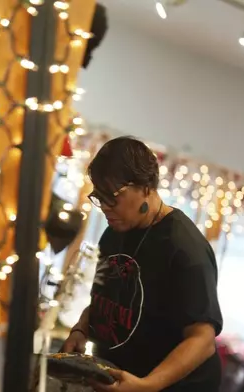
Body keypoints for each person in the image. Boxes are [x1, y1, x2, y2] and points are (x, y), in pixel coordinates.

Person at [61, 137, 223, 392]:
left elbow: (203, 340)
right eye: (98, 197)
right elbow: (108, 302)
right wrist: (81, 329)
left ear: (145, 186)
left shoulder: (185, 248)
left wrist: (147, 385)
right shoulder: (114, 233)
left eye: (111, 197)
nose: (103, 207)